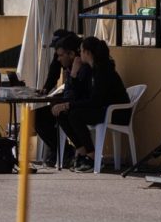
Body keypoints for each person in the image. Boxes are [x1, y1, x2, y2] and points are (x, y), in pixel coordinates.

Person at [50, 36, 129, 173]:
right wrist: (74, 74)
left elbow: (95, 101)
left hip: (115, 113)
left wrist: (69, 105)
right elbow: (79, 93)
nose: (79, 54)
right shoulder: (92, 70)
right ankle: (82, 152)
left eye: (81, 51)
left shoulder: (103, 71)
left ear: (87, 53)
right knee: (62, 114)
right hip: (101, 109)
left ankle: (92, 156)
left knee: (75, 115)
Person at [32, 32, 89, 168]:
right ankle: (60, 150)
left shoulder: (83, 68)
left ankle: (74, 152)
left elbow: (78, 94)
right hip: (72, 101)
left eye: (60, 55)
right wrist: (46, 89)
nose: (58, 59)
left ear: (71, 53)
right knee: (36, 116)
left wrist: (62, 102)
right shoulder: (68, 61)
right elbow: (54, 72)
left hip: (81, 106)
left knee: (58, 112)